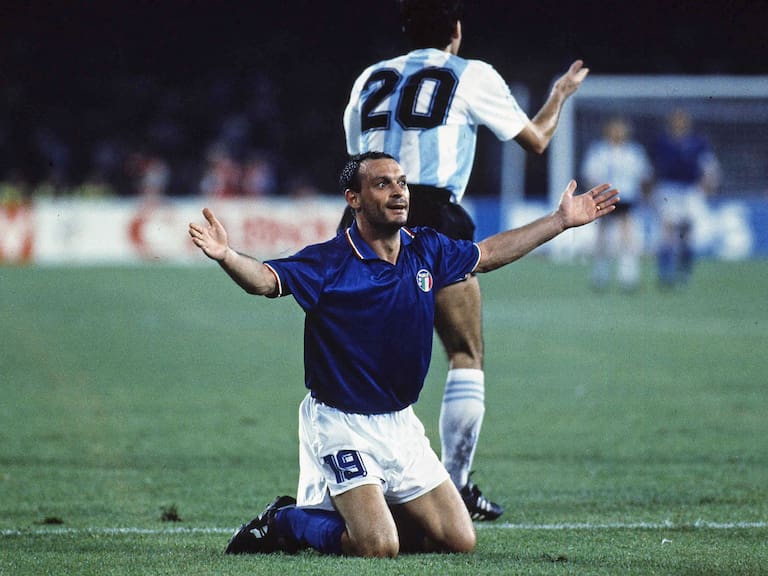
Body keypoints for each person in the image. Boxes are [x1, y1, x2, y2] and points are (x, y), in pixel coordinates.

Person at [188, 152, 618, 557]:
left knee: (459, 539)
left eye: (402, 182)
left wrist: (560, 221)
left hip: (400, 425)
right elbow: (265, 281)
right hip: (341, 424)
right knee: (378, 546)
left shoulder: (426, 247)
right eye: (382, 184)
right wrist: (226, 255)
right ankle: (284, 519)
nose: (398, 192)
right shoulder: (329, 261)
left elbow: (487, 255)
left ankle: (365, 510)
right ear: (354, 199)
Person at [339, 0, 590, 520]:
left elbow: (356, 159)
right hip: (432, 212)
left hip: (363, 219)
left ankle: (356, 485)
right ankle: (454, 489)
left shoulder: (368, 77)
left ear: (407, 32)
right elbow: (537, 140)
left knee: (358, 362)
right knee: (464, 351)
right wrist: (559, 94)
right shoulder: (470, 74)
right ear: (455, 31)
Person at [581, 117, 653, 291]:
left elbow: (645, 176)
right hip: (605, 198)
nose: (618, 133)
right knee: (603, 237)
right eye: (614, 129)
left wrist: (644, 196)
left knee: (627, 237)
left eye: (621, 129)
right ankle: (600, 275)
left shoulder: (634, 152)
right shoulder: (599, 151)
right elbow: (590, 175)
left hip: (627, 198)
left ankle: (628, 276)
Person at [653, 108, 720, 288]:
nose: (678, 124)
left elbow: (708, 164)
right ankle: (665, 273)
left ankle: (684, 272)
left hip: (690, 189)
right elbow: (655, 167)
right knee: (667, 231)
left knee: (687, 233)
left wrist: (709, 182)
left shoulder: (698, 142)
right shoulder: (662, 142)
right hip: (668, 189)